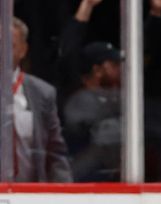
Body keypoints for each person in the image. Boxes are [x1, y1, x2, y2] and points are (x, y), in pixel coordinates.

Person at [9, 17, 72, 182]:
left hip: (30, 195)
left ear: (23, 50)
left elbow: (55, 153)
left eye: (9, 46)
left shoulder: (42, 93)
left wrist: (66, 195)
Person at [61, 41, 122, 182]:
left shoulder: (127, 96)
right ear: (97, 70)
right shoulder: (79, 100)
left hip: (122, 176)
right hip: (87, 177)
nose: (120, 69)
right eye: (114, 65)